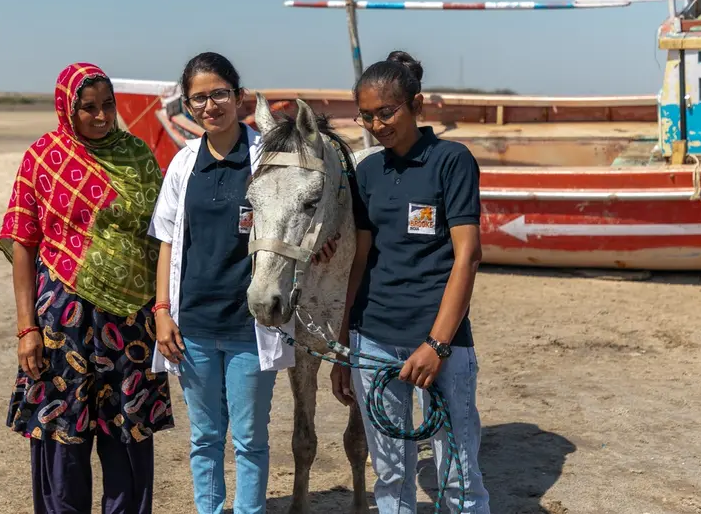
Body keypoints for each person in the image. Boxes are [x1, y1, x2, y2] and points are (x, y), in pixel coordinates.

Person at [147, 51, 338, 514]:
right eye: (198, 98)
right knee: (205, 437)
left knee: (250, 438)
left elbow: (305, 208)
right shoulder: (182, 163)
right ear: (187, 106)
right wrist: (162, 312)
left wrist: (320, 243)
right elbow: (169, 241)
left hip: (249, 323)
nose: (210, 105)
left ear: (239, 97)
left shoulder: (267, 156)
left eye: (219, 94)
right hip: (191, 322)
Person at [0, 62, 174, 514]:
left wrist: (162, 308)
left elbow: (163, 238)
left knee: (128, 435)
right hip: (63, 320)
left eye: (108, 106)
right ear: (66, 109)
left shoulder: (137, 156)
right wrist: (26, 329)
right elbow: (23, 244)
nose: (101, 116)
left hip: (132, 324)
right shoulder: (42, 157)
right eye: (88, 108)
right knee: (62, 436)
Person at [329, 51, 491, 514]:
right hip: (373, 340)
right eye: (366, 115)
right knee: (392, 475)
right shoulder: (367, 172)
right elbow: (359, 261)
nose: (377, 124)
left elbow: (469, 256)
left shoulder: (452, 161)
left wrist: (436, 345)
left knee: (459, 474)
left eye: (387, 111)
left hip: (442, 343)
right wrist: (345, 350)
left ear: (415, 104)